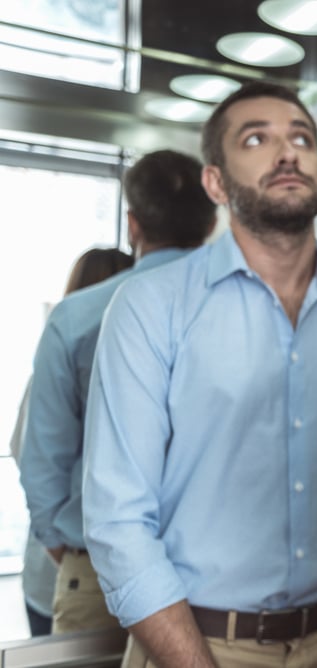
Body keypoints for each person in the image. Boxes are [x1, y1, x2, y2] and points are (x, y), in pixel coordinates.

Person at [82, 81, 317, 668]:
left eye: (302, 138)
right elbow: (118, 521)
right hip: (194, 643)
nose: (287, 152)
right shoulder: (150, 308)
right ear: (215, 182)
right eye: (256, 138)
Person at [18, 150, 216, 635]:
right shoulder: (253, 311)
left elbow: (41, 456)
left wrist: (70, 552)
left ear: (133, 225)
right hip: (217, 575)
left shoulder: (77, 316)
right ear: (212, 222)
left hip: (99, 571)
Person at [11, 247, 133, 636]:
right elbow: (32, 460)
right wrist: (63, 550)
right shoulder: (65, 355)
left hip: (81, 566)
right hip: (70, 570)